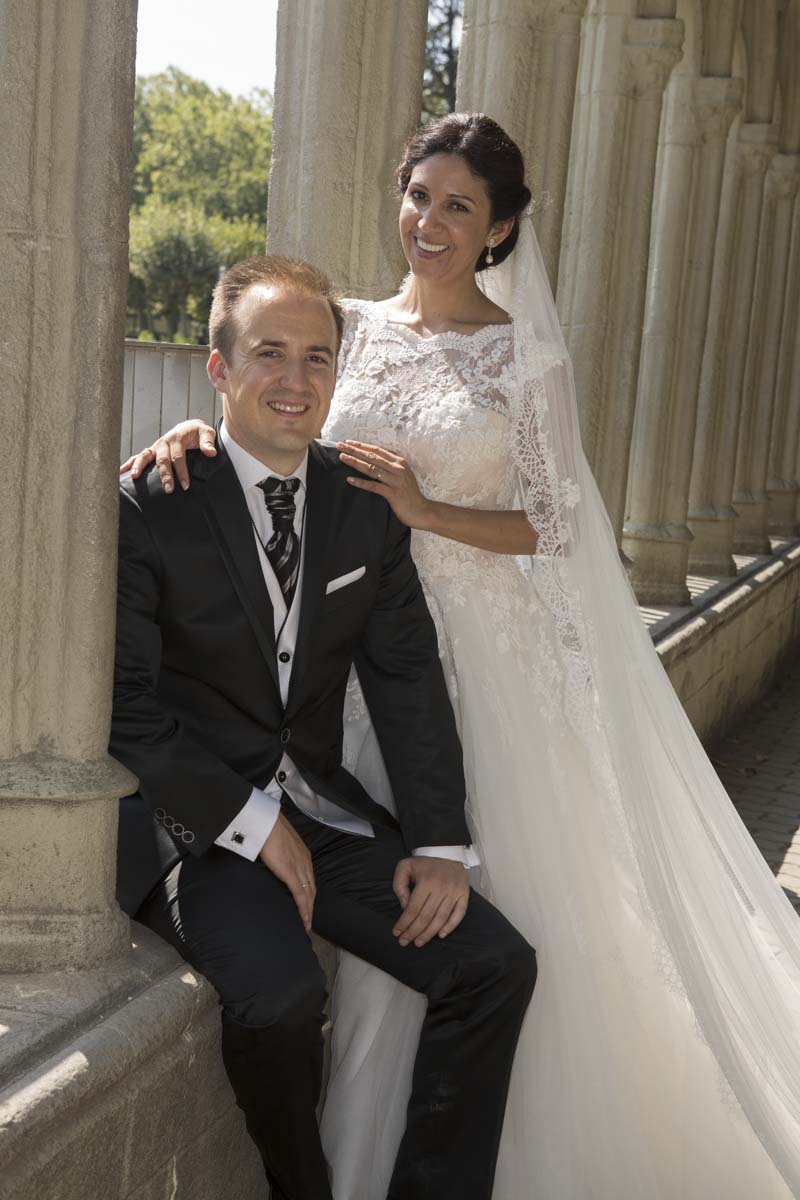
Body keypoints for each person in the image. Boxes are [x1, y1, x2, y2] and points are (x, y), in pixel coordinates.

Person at [123, 115, 800, 1199]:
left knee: (486, 912)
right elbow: (272, 417)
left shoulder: (522, 353)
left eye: (459, 207)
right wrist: (186, 434)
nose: (429, 222)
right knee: (347, 910)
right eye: (419, 195)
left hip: (461, 645)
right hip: (329, 653)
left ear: (498, 229)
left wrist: (427, 509)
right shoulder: (345, 328)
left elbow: (560, 523)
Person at [110, 253, 537, 1200]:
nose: (296, 381)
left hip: (319, 809)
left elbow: (406, 676)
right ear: (218, 369)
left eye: (317, 358)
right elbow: (124, 707)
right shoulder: (151, 501)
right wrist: (252, 824)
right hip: (194, 823)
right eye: (269, 353)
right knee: (281, 998)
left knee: (493, 966)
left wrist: (438, 843)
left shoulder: (361, 504)